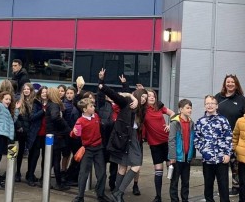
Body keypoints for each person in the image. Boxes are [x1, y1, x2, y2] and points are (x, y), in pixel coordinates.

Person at [98, 68, 146, 202]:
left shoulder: (142, 109)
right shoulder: (127, 103)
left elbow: (157, 105)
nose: (144, 99)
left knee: (131, 166)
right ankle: (117, 193)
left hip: (132, 139)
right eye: (142, 96)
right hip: (123, 138)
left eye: (145, 98)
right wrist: (102, 85)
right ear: (136, 96)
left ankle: (117, 193)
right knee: (127, 166)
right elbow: (115, 95)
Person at [71, 97, 109, 202]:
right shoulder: (80, 121)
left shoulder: (96, 116)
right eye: (91, 106)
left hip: (98, 148)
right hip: (87, 149)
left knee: (101, 173)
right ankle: (80, 196)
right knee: (83, 173)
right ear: (85, 110)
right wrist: (74, 132)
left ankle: (100, 195)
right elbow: (75, 135)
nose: (94, 107)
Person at [196, 95, 233, 202]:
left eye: (212, 103)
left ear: (217, 106)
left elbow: (229, 137)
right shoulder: (200, 122)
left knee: (223, 186)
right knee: (208, 185)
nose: (210, 105)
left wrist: (227, 153)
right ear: (204, 106)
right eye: (207, 103)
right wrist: (203, 151)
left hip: (222, 159)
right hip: (207, 160)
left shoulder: (223, 120)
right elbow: (197, 139)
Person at [214, 74, 245, 196]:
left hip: (234, 138)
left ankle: (236, 187)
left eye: (233, 82)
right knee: (221, 165)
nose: (230, 84)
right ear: (224, 84)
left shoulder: (241, 99)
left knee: (235, 165)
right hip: (219, 138)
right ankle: (222, 188)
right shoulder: (218, 97)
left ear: (236, 84)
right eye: (228, 82)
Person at [142, 89, 175, 202]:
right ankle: (158, 196)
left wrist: (171, 125)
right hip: (154, 144)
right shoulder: (143, 110)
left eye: (153, 96)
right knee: (158, 170)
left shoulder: (160, 107)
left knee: (170, 169)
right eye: (149, 96)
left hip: (167, 142)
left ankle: (173, 196)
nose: (152, 98)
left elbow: (174, 114)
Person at [168, 99, 195, 202]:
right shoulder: (175, 123)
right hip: (177, 157)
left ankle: (185, 199)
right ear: (181, 109)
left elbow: (192, 140)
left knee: (186, 182)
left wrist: (192, 155)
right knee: (174, 182)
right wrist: (172, 156)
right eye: (187, 108)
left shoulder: (191, 122)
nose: (190, 110)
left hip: (187, 157)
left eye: (190, 108)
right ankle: (174, 200)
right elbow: (171, 140)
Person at [25, 85, 48, 186]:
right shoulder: (36, 103)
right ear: (40, 93)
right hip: (36, 134)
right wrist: (43, 111)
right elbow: (32, 117)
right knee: (34, 156)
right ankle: (30, 176)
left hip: (47, 135)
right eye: (43, 92)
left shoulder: (51, 104)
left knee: (46, 157)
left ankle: (44, 177)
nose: (44, 94)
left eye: (46, 92)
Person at [14, 82, 35, 182]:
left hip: (31, 131)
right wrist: (19, 126)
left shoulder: (34, 102)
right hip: (21, 131)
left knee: (31, 152)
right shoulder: (19, 101)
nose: (26, 91)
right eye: (24, 89)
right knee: (20, 151)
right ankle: (17, 172)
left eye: (28, 89)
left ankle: (30, 173)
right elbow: (15, 115)